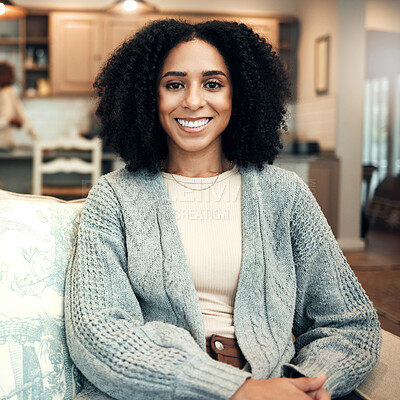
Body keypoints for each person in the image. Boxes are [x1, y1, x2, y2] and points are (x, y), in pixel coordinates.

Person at [65, 19, 381, 400]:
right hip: (161, 389)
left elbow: (351, 323)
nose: (193, 100)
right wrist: (235, 391)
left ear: (240, 95)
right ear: (149, 96)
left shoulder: (285, 194)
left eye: (213, 84)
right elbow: (96, 331)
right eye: (174, 84)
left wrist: (306, 384)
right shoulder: (113, 197)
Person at [0, 61, 38, 150]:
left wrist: (38, 142)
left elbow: (24, 118)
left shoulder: (11, 92)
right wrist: (8, 121)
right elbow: (7, 119)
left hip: (6, 147)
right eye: (9, 74)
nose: (13, 77)